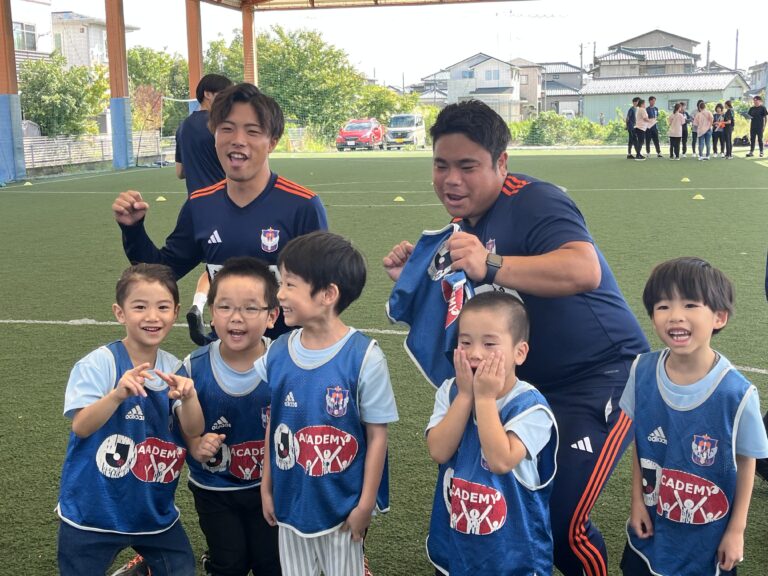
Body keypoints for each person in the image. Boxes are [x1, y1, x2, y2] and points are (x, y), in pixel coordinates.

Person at [383, 100, 648, 576]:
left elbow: (583, 269)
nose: (451, 180)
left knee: (564, 521)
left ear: (501, 163)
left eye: (468, 167)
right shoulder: (466, 223)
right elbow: (482, 307)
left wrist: (490, 263)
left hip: (601, 375)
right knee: (517, 509)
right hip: (523, 386)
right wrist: (418, 281)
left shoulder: (534, 200)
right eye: (441, 165)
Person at [112, 82, 328, 341]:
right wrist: (133, 230)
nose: (238, 140)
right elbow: (161, 272)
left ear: (272, 142)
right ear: (214, 136)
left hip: (288, 355)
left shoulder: (303, 205)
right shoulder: (200, 204)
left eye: (252, 131)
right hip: (225, 353)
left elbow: (321, 294)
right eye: (227, 128)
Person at [258, 231, 398, 576]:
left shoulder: (365, 357)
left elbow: (377, 436)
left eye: (290, 284)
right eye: (280, 283)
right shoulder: (277, 352)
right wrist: (266, 485)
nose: (280, 294)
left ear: (327, 294)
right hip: (290, 502)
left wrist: (365, 505)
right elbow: (274, 421)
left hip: (342, 508)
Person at [618, 257, 768, 576]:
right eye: (663, 306)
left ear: (719, 316)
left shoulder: (737, 394)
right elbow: (641, 445)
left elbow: (746, 462)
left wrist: (736, 530)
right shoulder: (641, 371)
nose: (675, 315)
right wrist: (637, 501)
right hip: (651, 529)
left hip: (707, 539)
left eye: (689, 304)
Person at [56, 264, 204, 576]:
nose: (152, 316)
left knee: (180, 568)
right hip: (92, 511)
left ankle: (141, 568)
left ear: (176, 312)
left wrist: (190, 397)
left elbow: (193, 430)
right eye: (140, 307)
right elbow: (81, 426)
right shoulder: (99, 364)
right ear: (119, 313)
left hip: (152, 510)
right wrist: (117, 395)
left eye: (162, 307)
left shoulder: (174, 370)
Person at [425, 291, 557, 575]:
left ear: (519, 352)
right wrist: (465, 396)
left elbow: (500, 460)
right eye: (465, 342)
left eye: (489, 344)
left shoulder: (531, 407)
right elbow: (438, 451)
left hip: (513, 556)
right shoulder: (451, 392)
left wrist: (484, 398)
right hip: (456, 547)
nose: (475, 353)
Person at [179, 257, 281, 576]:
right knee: (230, 563)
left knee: (271, 564)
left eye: (250, 308)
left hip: (270, 487)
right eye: (225, 307)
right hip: (215, 488)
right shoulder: (193, 367)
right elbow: (181, 428)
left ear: (272, 316)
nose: (236, 317)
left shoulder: (284, 363)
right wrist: (195, 444)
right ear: (211, 313)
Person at [174, 73, 233, 346]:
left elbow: (180, 172)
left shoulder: (183, 127)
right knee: (227, 265)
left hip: (193, 206)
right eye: (224, 94)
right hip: (223, 204)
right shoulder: (219, 124)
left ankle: (197, 306)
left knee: (211, 265)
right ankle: (216, 321)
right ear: (208, 93)